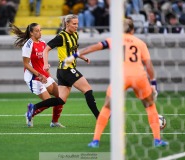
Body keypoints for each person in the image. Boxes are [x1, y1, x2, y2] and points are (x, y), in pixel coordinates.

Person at [63, 18, 169, 148]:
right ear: (133, 30)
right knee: (150, 107)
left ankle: (95, 141)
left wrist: (74, 56)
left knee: (107, 107)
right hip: (139, 77)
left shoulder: (114, 40)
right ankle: (157, 140)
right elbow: (148, 65)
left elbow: (94, 47)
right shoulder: (140, 43)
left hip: (121, 77)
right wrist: (153, 84)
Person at [26, 14, 100, 124]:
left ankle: (34, 107)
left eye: (77, 24)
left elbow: (73, 51)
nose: (76, 26)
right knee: (88, 90)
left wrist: (83, 57)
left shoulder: (75, 35)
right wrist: (45, 64)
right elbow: (46, 49)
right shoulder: (61, 36)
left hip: (63, 72)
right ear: (67, 24)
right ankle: (99, 117)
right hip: (67, 69)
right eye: (74, 24)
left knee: (60, 100)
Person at [9, 22, 65, 128]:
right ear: (31, 33)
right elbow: (26, 64)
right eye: (37, 31)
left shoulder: (43, 42)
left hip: (44, 74)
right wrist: (39, 75)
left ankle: (54, 122)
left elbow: (42, 60)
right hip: (33, 77)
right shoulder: (28, 45)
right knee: (48, 102)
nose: (40, 32)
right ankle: (31, 112)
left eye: (40, 30)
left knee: (60, 97)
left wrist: (47, 70)